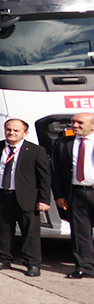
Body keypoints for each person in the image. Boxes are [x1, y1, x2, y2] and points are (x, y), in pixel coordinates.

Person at [0, 117, 52, 277]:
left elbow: (44, 178)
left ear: (25, 133)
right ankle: (3, 259)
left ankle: (32, 264)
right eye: (8, 129)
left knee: (30, 232)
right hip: (1, 195)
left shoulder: (35, 151)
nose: (11, 133)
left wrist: (44, 199)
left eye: (16, 130)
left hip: (26, 197)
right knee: (1, 230)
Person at [53, 110, 94, 280]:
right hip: (76, 193)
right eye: (73, 122)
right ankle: (84, 267)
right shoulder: (63, 143)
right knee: (80, 232)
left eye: (80, 123)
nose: (75, 125)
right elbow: (56, 172)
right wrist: (60, 195)